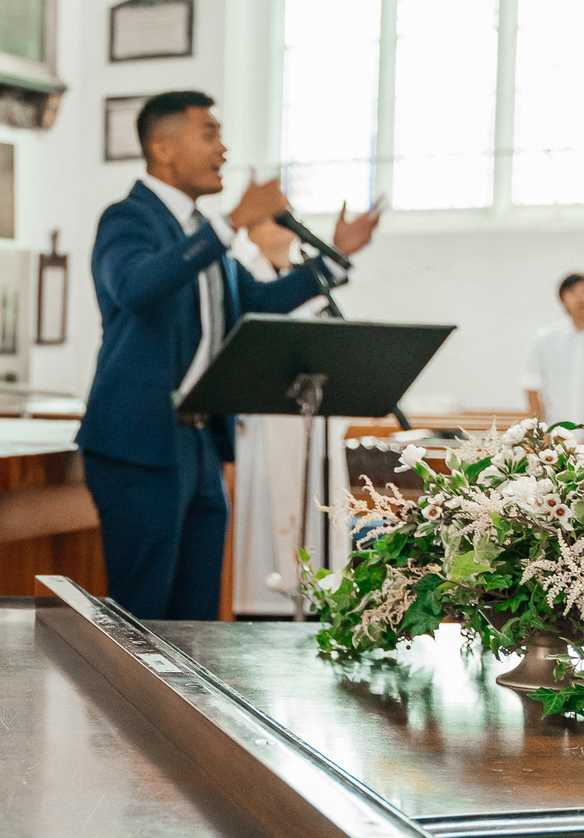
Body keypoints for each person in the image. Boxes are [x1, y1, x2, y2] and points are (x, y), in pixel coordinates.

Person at [79, 90, 382, 621]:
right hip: (140, 439)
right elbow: (136, 287)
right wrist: (232, 223)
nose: (224, 150)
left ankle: (185, 704)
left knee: (195, 615)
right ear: (163, 148)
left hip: (199, 440)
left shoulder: (201, 233)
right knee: (143, 614)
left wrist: (335, 259)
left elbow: (260, 302)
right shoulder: (127, 219)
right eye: (209, 134)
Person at [228, 218, 349, 616]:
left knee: (314, 503)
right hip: (260, 421)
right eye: (273, 218)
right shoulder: (240, 272)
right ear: (251, 230)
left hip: (307, 422)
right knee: (262, 512)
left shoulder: (305, 280)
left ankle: (317, 598)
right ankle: (256, 603)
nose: (286, 225)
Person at [521, 272, 584, 440]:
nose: (580, 297)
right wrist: (540, 432)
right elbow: (532, 386)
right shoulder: (545, 339)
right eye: (572, 292)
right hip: (554, 438)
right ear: (562, 299)